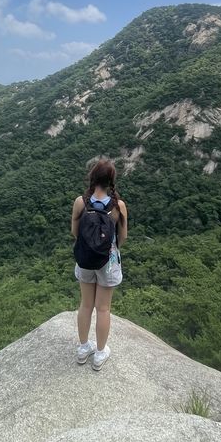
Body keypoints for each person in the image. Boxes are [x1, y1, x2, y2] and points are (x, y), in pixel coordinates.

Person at [70, 157, 128, 370]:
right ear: (111, 180)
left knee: (86, 305)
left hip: (85, 260)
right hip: (108, 262)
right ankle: (100, 354)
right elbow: (123, 237)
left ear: (92, 178)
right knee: (103, 309)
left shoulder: (80, 202)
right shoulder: (118, 206)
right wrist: (108, 248)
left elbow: (74, 232)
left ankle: (84, 348)